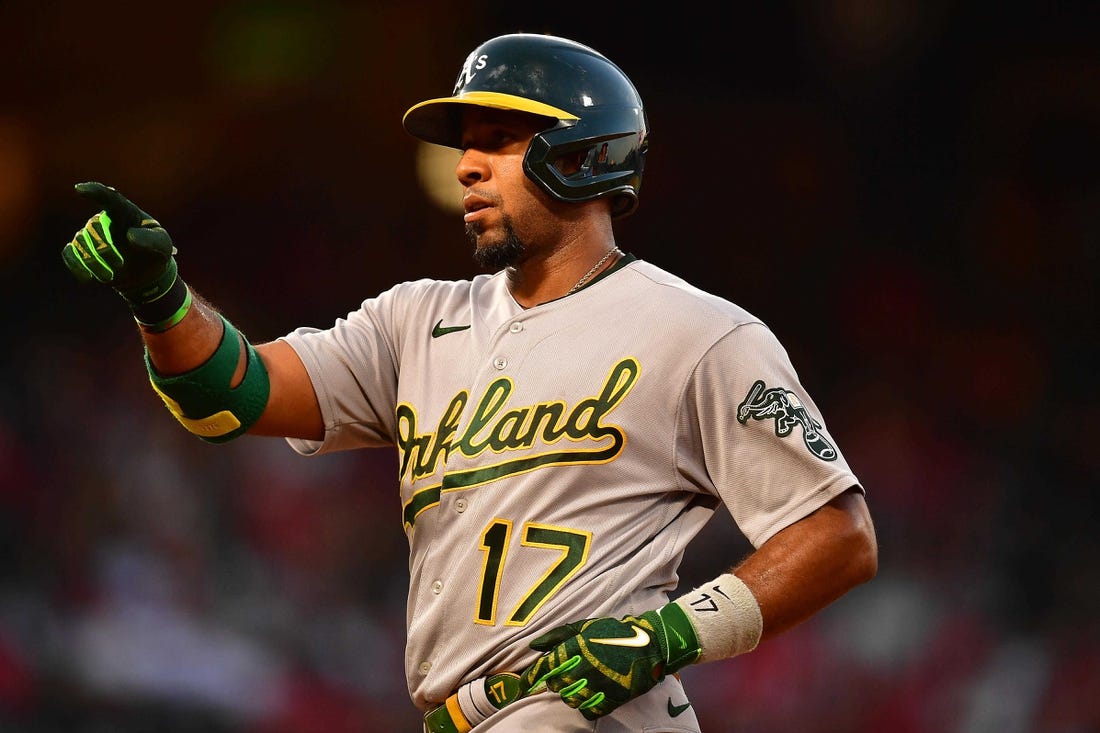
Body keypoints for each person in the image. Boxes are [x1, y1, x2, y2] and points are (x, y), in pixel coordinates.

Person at [62, 32, 878, 733]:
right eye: (466, 144)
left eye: (498, 139)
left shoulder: (698, 333)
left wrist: (671, 633)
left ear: (584, 153)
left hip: (589, 709)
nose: (467, 168)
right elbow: (227, 396)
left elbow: (838, 535)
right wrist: (160, 296)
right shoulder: (414, 320)